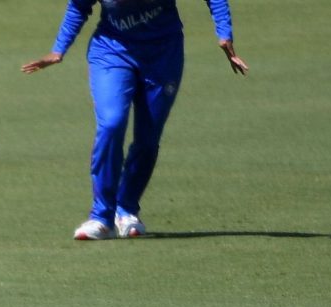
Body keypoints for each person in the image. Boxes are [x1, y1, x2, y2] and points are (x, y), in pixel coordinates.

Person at [22, 1, 247, 240]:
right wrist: (59, 50)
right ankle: (101, 217)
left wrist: (224, 34)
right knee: (111, 124)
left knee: (148, 138)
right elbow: (79, 6)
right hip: (111, 52)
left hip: (163, 55)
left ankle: (126, 208)